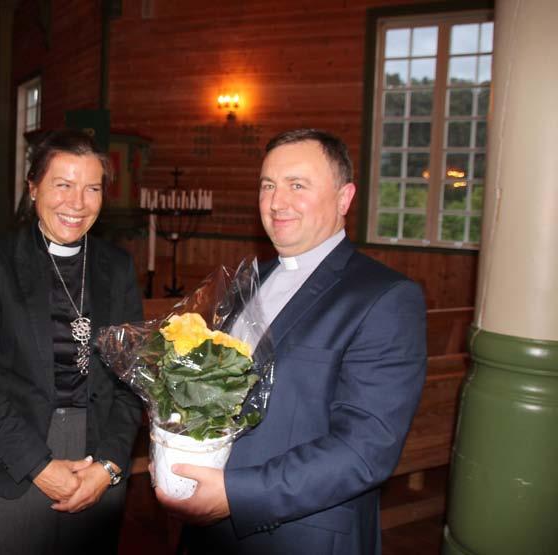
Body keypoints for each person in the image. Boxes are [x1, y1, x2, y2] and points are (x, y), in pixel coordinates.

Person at [156, 129, 427, 554]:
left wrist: (237, 493)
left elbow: (364, 449)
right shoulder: (246, 281)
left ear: (344, 198)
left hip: (299, 534)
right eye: (268, 185)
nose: (277, 202)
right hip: (209, 533)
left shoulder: (384, 297)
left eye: (297, 185)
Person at [0, 129, 144, 554]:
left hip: (98, 452)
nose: (77, 203)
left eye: (92, 188)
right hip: (11, 448)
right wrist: (37, 465)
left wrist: (111, 464)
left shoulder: (118, 267)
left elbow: (133, 378)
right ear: (33, 187)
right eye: (62, 184)